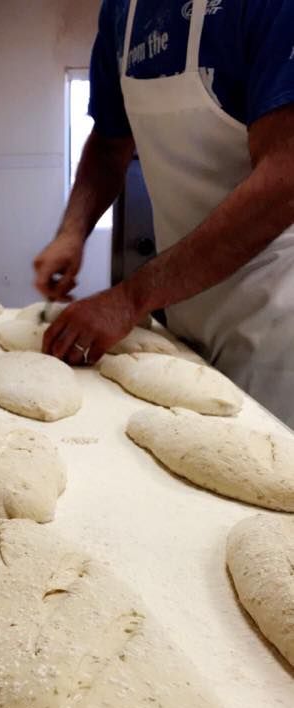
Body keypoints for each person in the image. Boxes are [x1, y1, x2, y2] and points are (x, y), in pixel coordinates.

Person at [34, 0, 294, 426]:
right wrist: (72, 231)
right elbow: (107, 143)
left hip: (277, 315)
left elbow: (284, 180)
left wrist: (130, 299)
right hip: (185, 306)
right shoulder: (121, 11)